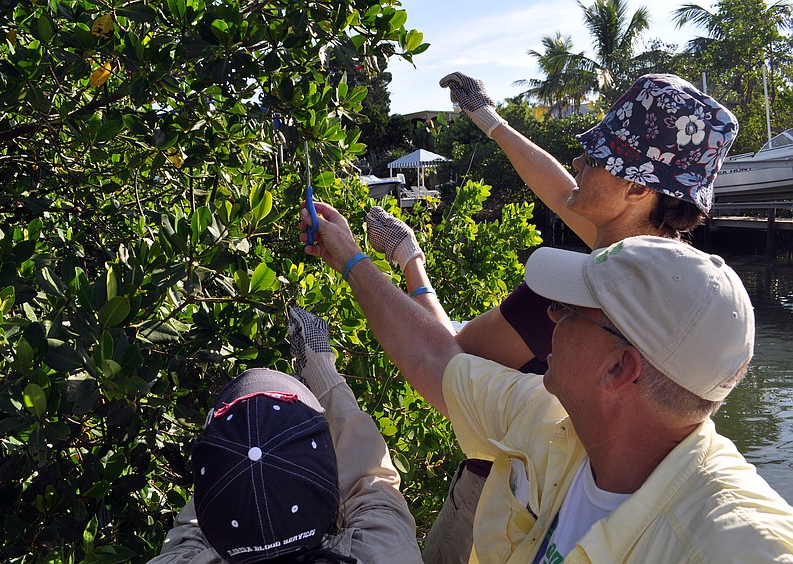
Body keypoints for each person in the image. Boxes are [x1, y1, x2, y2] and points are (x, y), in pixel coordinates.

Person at [365, 71, 740, 562]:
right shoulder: (677, 293)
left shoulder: (574, 306)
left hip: (501, 493)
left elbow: (445, 357)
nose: (579, 161)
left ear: (636, 191)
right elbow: (564, 193)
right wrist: (488, 119)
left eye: (602, 159)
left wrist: (409, 263)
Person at [298, 208, 793, 561]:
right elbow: (437, 358)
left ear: (619, 369)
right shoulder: (553, 419)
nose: (551, 317)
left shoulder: (735, 541)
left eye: (570, 310)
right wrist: (350, 258)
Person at [149, 307, 423, 564]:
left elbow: (197, 524)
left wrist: (235, 466)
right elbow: (371, 480)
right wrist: (322, 372)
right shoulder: (386, 552)